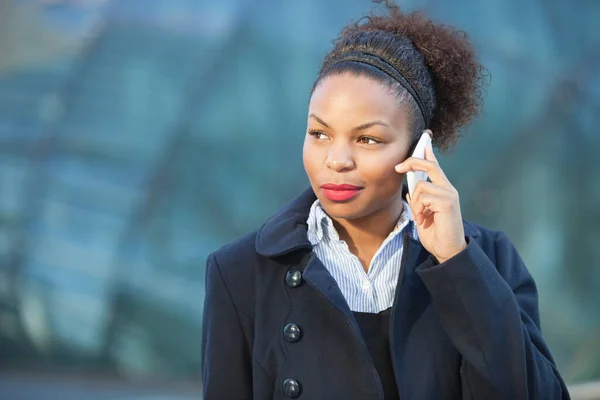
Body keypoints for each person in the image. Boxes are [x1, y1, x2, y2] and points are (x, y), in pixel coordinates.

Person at [201, 1, 570, 399]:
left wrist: (456, 263)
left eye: (367, 139)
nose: (336, 160)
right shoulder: (239, 271)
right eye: (319, 133)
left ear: (419, 148)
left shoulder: (488, 260)